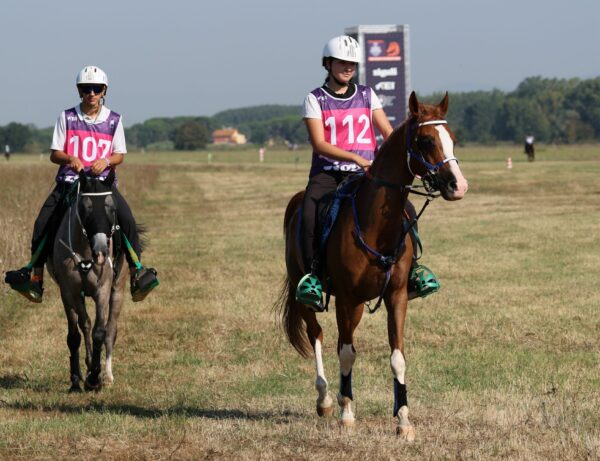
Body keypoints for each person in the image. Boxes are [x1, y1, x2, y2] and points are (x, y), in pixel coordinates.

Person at [295, 35, 439, 312]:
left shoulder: (366, 94)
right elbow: (319, 143)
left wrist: (405, 159)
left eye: (352, 63)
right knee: (311, 209)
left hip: (367, 174)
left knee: (406, 207)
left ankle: (414, 271)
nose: (348, 67)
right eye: (342, 62)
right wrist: (355, 158)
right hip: (329, 173)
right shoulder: (315, 99)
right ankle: (312, 276)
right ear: (328, 64)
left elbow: (387, 131)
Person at [4, 65, 159, 303]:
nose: (91, 93)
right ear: (79, 91)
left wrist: (106, 160)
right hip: (70, 183)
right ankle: (34, 277)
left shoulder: (114, 120)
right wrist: (70, 158)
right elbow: (55, 154)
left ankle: (137, 272)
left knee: (127, 220)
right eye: (86, 89)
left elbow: (120, 155)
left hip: (102, 185)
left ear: (104, 90)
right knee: (42, 222)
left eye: (96, 89)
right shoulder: (66, 117)